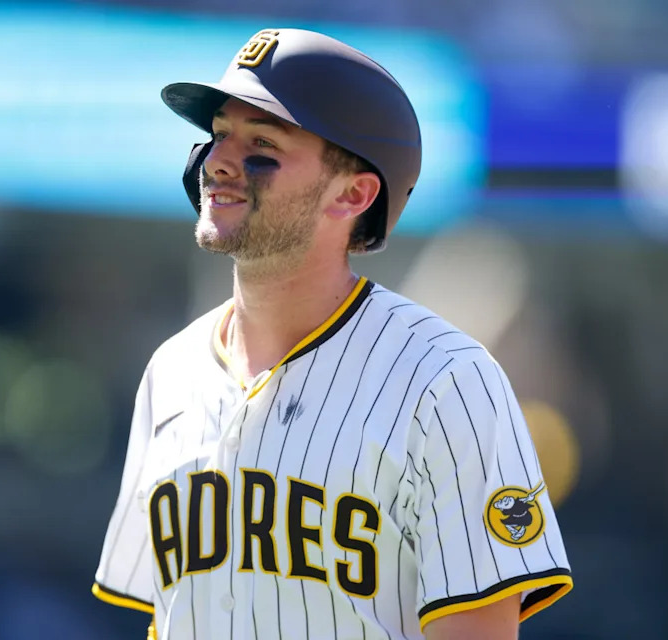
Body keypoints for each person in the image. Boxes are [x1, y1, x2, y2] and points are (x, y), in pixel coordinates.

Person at [93, 28, 573, 640]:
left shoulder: (446, 381)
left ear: (353, 193)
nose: (217, 161)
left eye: (262, 143)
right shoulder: (172, 372)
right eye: (218, 135)